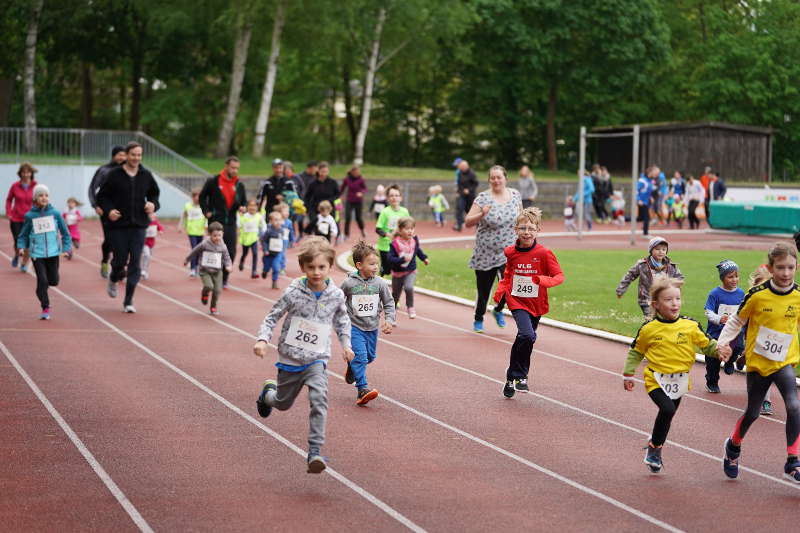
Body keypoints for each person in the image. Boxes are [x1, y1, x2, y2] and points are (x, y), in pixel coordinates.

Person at [253, 237, 354, 474]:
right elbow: (272, 316)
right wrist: (262, 339)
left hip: (317, 359)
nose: (316, 272)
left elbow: (342, 321)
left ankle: (315, 452)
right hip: (290, 359)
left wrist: (346, 345)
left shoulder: (336, 295)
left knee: (319, 400)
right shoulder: (293, 293)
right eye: (311, 268)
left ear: (330, 267)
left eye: (321, 267)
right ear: (302, 268)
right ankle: (268, 395)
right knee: (282, 404)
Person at [623, 276, 728, 473]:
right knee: (668, 409)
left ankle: (656, 444)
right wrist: (628, 375)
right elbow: (636, 351)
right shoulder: (649, 329)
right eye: (669, 299)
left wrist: (719, 350)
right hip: (655, 378)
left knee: (667, 415)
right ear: (656, 304)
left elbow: (707, 344)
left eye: (677, 299)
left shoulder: (690, 326)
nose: (675, 303)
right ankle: (654, 449)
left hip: (679, 381)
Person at [718, 242, 800, 483]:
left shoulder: (797, 297)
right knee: (753, 412)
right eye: (781, 268)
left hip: (784, 363)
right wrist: (723, 344)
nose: (786, 273)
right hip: (758, 364)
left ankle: (792, 460)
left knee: (794, 407)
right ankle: (733, 446)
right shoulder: (757, 295)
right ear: (771, 268)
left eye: (791, 268)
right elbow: (736, 321)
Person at [493, 207, 564, 397]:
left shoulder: (544, 253)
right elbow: (508, 274)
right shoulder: (511, 252)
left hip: (536, 304)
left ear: (538, 230)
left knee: (525, 338)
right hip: (516, 301)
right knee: (528, 335)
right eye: (523, 228)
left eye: (531, 228)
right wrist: (501, 290)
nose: (527, 232)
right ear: (516, 229)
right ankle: (521, 376)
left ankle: (510, 377)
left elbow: (559, 276)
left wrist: (542, 280)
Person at [96, 141, 160, 313]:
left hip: (139, 225)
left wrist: (153, 204)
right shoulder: (114, 174)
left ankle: (129, 300)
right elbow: (101, 196)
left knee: (135, 262)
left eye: (139, 155)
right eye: (133, 154)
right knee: (120, 261)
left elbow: (155, 194)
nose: (136, 158)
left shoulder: (145, 175)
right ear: (126, 155)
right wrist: (109, 211)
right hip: (119, 225)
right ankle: (114, 276)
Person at [466, 165, 522, 333]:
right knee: (484, 289)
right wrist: (481, 214)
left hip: (509, 251)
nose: (496, 180)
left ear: (505, 178)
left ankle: (498, 309)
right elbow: (468, 221)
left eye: (499, 177)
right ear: (489, 180)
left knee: (510, 285)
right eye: (493, 178)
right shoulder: (483, 198)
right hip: (485, 251)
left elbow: (520, 217)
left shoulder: (515, 195)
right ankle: (478, 317)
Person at [340, 241, 396, 405]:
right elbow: (337, 299)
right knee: (362, 357)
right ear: (359, 265)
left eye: (376, 264)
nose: (375, 267)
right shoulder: (349, 283)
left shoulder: (379, 283)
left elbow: (389, 303)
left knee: (370, 356)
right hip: (354, 326)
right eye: (371, 264)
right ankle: (362, 389)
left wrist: (389, 320)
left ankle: (352, 365)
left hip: (372, 327)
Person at [16, 184, 72, 320]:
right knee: (43, 281)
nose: (44, 198)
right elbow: (23, 235)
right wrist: (21, 247)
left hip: (53, 253)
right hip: (37, 254)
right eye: (41, 195)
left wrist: (66, 249)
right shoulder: (30, 216)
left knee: (54, 281)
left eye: (46, 195)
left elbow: (66, 233)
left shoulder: (55, 214)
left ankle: (40, 289)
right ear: (35, 198)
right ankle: (45, 307)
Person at [199, 156, 247, 288]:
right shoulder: (213, 181)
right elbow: (202, 196)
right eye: (232, 167)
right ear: (226, 166)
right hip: (215, 221)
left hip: (231, 221)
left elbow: (243, 201)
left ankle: (224, 278)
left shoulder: (239, 184)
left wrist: (243, 207)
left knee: (230, 251)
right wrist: (206, 211)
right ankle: (210, 275)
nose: (235, 170)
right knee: (214, 249)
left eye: (237, 168)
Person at [703, 260, 745, 393]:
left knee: (739, 347)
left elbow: (744, 311)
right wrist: (719, 319)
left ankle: (730, 361)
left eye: (736, 276)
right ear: (722, 278)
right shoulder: (715, 293)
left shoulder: (741, 294)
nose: (734, 279)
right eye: (730, 276)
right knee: (713, 362)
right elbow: (708, 311)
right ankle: (712, 382)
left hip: (734, 333)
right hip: (716, 334)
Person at [616, 236, 684, 316]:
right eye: (657, 249)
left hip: (664, 299)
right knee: (651, 319)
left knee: (665, 319)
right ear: (651, 250)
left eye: (663, 249)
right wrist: (620, 290)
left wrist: (673, 287)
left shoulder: (671, 266)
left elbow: (680, 278)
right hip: (646, 299)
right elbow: (629, 276)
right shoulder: (642, 265)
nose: (661, 252)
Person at [88, 146, 126, 278]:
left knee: (122, 239)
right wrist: (95, 205)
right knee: (110, 239)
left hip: (122, 210)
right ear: (113, 156)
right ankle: (105, 261)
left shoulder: (127, 170)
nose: (122, 158)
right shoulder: (104, 170)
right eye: (119, 155)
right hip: (106, 210)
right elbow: (92, 188)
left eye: (124, 155)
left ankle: (119, 267)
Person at [184, 222, 232, 316]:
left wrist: (228, 265)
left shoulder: (223, 246)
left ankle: (213, 307)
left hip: (217, 271)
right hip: (205, 271)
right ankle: (205, 293)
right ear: (209, 234)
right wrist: (187, 259)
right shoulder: (205, 244)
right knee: (209, 286)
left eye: (219, 235)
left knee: (217, 290)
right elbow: (195, 251)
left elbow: (226, 257)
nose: (217, 237)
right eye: (214, 235)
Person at [387, 217, 429, 319]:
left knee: (409, 287)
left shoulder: (414, 241)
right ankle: (391, 315)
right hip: (398, 273)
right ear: (400, 230)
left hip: (411, 270)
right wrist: (402, 259)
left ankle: (410, 307)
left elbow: (417, 250)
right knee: (395, 295)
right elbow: (390, 258)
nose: (410, 231)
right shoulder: (395, 244)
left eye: (412, 228)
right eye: (407, 229)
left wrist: (424, 258)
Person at [6, 162, 38, 272]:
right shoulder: (15, 186)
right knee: (17, 241)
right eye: (23, 172)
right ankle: (16, 254)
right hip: (16, 218)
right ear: (20, 174)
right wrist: (8, 212)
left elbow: (39, 200)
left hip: (30, 219)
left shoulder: (35, 186)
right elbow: (9, 199)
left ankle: (24, 263)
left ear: (31, 173)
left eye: (28, 172)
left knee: (28, 243)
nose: (26, 174)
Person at [375, 185, 409, 276]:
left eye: (396, 195)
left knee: (398, 269)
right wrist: (389, 235)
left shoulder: (404, 212)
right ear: (388, 198)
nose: (394, 198)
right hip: (385, 246)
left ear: (401, 198)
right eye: (391, 195)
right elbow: (378, 229)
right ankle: (382, 270)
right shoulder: (385, 212)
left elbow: (409, 226)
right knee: (387, 270)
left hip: (399, 245)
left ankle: (396, 288)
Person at [303, 161, 339, 234]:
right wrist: (306, 208)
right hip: (315, 208)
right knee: (316, 227)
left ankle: (333, 239)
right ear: (318, 171)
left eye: (326, 171)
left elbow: (337, 194)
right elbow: (307, 197)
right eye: (322, 171)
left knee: (328, 228)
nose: (324, 173)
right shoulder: (313, 183)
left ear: (328, 171)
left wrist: (329, 201)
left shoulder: (332, 182)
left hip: (329, 208)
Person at [177, 187, 206, 277]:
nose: (197, 198)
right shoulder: (188, 206)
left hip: (201, 231)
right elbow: (184, 216)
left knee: (199, 250)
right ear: (192, 197)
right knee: (194, 248)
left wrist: (207, 225)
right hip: (191, 231)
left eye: (198, 196)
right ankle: (193, 268)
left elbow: (207, 216)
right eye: (195, 196)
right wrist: (180, 226)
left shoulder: (203, 206)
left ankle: (196, 266)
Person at [237, 199, 264, 279]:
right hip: (245, 239)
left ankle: (254, 271)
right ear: (247, 207)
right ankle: (242, 261)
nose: (252, 207)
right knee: (245, 253)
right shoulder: (243, 216)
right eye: (250, 205)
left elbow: (263, 226)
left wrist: (262, 233)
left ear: (257, 207)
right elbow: (238, 225)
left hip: (254, 238)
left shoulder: (259, 216)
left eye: (254, 206)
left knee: (255, 254)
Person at [340, 165, 367, 240]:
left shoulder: (361, 180)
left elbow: (365, 189)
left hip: (358, 201)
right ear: (352, 172)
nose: (357, 173)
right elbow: (342, 188)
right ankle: (346, 234)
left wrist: (361, 192)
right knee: (347, 217)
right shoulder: (347, 179)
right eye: (355, 172)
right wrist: (339, 195)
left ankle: (362, 230)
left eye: (358, 172)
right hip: (349, 201)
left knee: (358, 218)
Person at [260, 211, 285, 289]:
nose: (278, 222)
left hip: (277, 253)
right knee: (267, 267)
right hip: (268, 254)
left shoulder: (282, 230)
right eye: (276, 220)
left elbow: (282, 240)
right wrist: (265, 250)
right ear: (271, 221)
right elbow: (263, 240)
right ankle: (265, 271)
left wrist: (283, 248)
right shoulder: (268, 231)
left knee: (276, 267)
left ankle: (274, 282)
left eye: (279, 220)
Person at [454, 160, 478, 231]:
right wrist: (459, 191)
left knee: (470, 210)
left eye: (464, 166)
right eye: (461, 166)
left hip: (470, 195)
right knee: (459, 208)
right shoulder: (459, 173)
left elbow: (475, 184)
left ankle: (477, 225)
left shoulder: (472, 173)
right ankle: (459, 225)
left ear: (467, 166)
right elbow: (459, 183)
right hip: (462, 194)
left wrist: (469, 190)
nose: (462, 168)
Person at [139, 212, 164, 280]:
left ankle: (145, 270)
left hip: (151, 244)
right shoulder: (144, 222)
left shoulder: (155, 222)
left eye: (154, 216)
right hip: (144, 243)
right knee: (146, 255)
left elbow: (160, 227)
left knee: (148, 257)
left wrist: (161, 231)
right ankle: (142, 270)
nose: (153, 217)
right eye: (152, 216)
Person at [275, 203, 294, 275]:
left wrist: (292, 239)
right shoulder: (277, 220)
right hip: (277, 240)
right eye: (285, 211)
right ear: (280, 212)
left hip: (285, 241)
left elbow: (291, 231)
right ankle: (276, 265)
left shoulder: (289, 222)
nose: (287, 213)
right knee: (276, 254)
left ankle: (282, 268)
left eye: (288, 211)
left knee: (282, 254)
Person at [636, 169, 654, 236]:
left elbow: (647, 191)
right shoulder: (642, 180)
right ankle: (645, 233)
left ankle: (623, 219)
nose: (653, 174)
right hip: (642, 201)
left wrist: (650, 197)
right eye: (652, 173)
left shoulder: (649, 181)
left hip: (646, 201)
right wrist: (638, 200)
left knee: (640, 218)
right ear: (648, 173)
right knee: (647, 217)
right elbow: (636, 190)